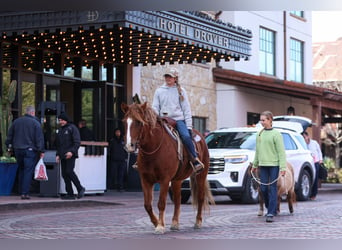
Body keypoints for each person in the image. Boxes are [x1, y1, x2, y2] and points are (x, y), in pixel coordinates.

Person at [152, 68, 204, 174]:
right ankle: (143, 161)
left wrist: (188, 126)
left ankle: (194, 159)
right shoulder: (159, 91)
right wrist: (155, 118)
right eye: (166, 76)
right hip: (163, 119)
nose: (168, 78)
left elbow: (186, 109)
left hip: (178, 120)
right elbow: (155, 107)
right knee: (150, 134)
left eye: (170, 76)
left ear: (175, 78)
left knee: (185, 136)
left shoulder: (181, 91)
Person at [251, 111, 286, 223]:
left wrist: (283, 167)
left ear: (270, 120)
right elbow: (258, 151)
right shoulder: (259, 134)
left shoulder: (276, 134)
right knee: (263, 188)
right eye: (261, 120)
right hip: (263, 165)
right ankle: (270, 206)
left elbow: (281, 152)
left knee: (272, 188)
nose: (262, 122)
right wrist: (255, 164)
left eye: (264, 120)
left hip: (274, 165)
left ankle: (270, 212)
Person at [5, 105, 45, 200]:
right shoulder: (35, 123)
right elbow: (39, 138)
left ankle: (20, 190)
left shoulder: (16, 122)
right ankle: (25, 192)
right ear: (32, 112)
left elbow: (10, 135)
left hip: (18, 149)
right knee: (28, 171)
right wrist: (41, 150)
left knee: (21, 169)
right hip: (30, 150)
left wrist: (9, 147)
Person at [55, 112, 85, 200]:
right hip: (62, 155)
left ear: (66, 120)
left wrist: (71, 152)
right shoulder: (60, 130)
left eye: (62, 120)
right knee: (64, 174)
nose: (61, 122)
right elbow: (58, 144)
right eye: (60, 120)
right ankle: (70, 193)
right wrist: (58, 155)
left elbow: (77, 142)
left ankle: (80, 188)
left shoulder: (72, 128)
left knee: (69, 171)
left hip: (70, 155)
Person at [302, 131, 323, 201]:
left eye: (304, 137)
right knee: (308, 179)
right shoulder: (302, 145)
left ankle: (313, 194)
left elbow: (319, 151)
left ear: (308, 136)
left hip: (315, 162)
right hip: (307, 163)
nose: (304, 139)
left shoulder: (314, 143)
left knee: (315, 178)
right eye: (302, 137)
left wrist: (320, 159)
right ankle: (307, 193)